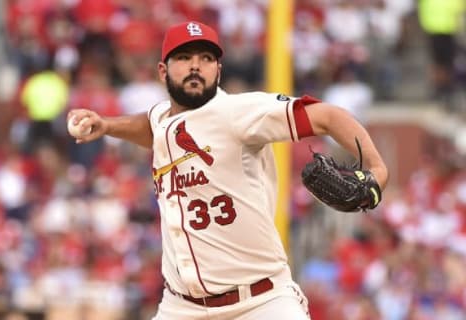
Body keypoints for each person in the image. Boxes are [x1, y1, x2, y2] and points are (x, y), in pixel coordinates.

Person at [67, 21, 388, 320]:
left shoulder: (237, 112)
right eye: (184, 57)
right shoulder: (164, 118)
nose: (195, 65)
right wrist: (107, 124)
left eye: (206, 58)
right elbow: (152, 125)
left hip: (261, 302)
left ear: (218, 70)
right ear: (163, 71)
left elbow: (327, 116)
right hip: (181, 307)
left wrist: (376, 168)